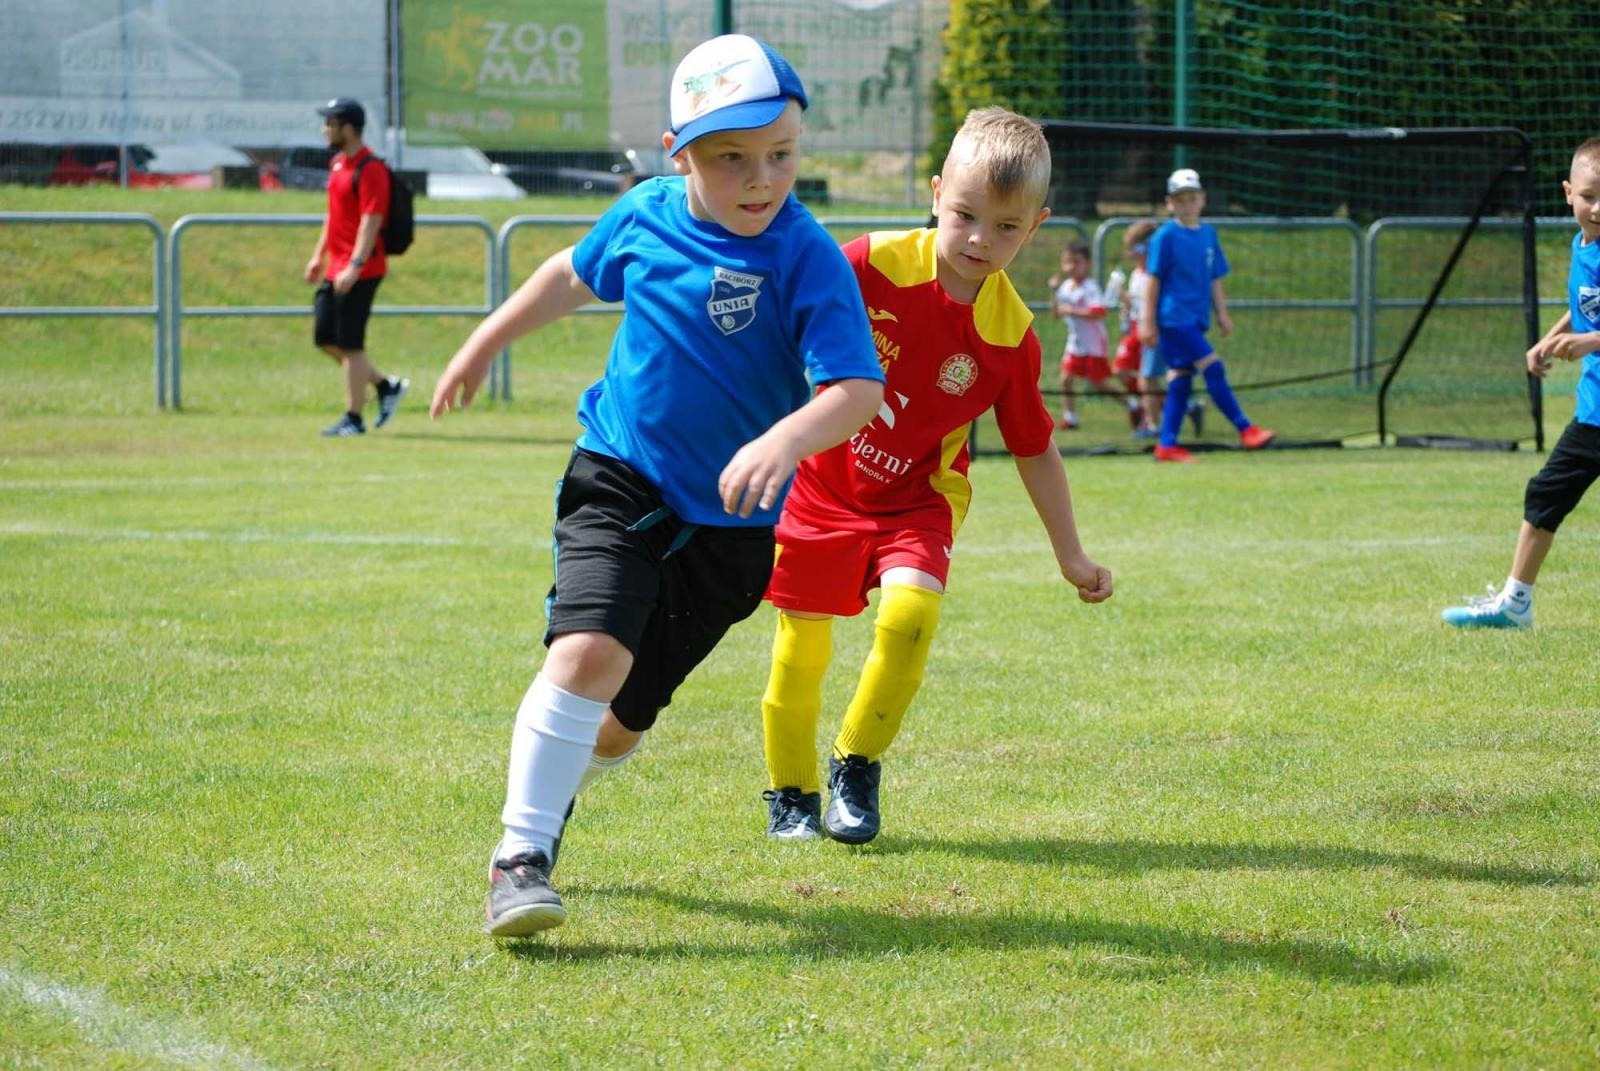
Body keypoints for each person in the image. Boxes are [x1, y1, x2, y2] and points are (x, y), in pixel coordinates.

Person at [428, 34, 885, 936]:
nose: (761, 179)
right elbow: (569, 276)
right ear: (679, 155)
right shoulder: (644, 215)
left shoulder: (807, 255)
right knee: (589, 655)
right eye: (732, 158)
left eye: (781, 154)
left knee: (618, 727)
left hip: (732, 530)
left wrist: (784, 440)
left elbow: (857, 390)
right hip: (620, 473)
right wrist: (484, 343)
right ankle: (520, 858)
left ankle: (550, 790)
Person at [756, 107, 1114, 843]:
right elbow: (782, 329)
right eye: (966, 215)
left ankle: (856, 763)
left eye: (1006, 227)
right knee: (800, 650)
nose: (980, 239)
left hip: (920, 499)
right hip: (820, 486)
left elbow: (1034, 448)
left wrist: (1071, 555)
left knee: (911, 616)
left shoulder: (1012, 336)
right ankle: (791, 796)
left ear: (1036, 228)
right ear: (936, 193)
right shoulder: (869, 264)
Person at [1441, 137, 1600, 629]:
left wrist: (1591, 341)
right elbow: (1584, 306)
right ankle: (1515, 604)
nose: (1598, 208)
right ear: (1568, 193)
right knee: (1545, 495)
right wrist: (1549, 339)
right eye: (1590, 196)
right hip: (1594, 413)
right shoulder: (1581, 246)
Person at [1139, 168, 1274, 462]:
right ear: (1169, 203)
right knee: (1213, 368)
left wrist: (1222, 314)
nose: (1186, 205)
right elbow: (1153, 280)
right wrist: (1146, 321)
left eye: (1192, 198)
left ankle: (1167, 444)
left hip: (1195, 319)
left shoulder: (1208, 234)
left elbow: (1214, 278)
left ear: (1202, 199)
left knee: (1181, 380)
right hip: (1174, 319)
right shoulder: (1165, 236)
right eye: (1180, 200)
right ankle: (1246, 429)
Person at [304, 97, 408, 437]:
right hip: (336, 267)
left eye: (330, 124)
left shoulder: (370, 168)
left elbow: (371, 220)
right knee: (325, 338)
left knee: (350, 345)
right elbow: (333, 215)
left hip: (362, 268)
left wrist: (355, 265)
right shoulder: (338, 165)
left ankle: (354, 417)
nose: (325, 130)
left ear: (348, 128)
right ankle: (385, 385)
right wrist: (318, 256)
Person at [1116, 219, 1202, 440]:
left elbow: (1155, 304)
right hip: (1140, 329)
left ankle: (1154, 425)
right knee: (1148, 377)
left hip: (1154, 331)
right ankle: (1188, 407)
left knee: (1148, 379)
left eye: (1136, 249)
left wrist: (1151, 327)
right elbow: (1137, 302)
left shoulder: (1156, 276)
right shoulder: (1138, 274)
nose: (1132, 254)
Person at [1050, 240, 1141, 431]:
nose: (1071, 267)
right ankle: (1070, 418)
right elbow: (1056, 313)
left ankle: (1133, 405)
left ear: (1087, 264)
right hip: (1075, 342)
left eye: (1076, 262)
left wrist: (1073, 311)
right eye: (1067, 262)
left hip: (1093, 343)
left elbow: (1099, 311)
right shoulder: (1066, 286)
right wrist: (1054, 291)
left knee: (1099, 383)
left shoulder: (1089, 287)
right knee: (1066, 379)